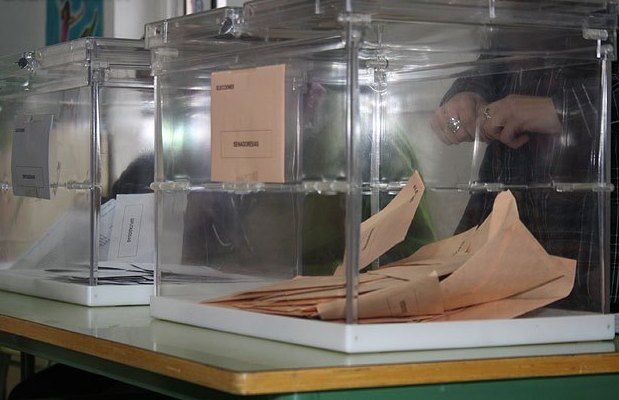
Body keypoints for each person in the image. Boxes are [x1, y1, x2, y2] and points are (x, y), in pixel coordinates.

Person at [431, 36, 605, 311]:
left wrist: (561, 109)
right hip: (505, 249)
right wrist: (464, 97)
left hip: (594, 253)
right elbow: (498, 53)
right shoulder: (517, 31)